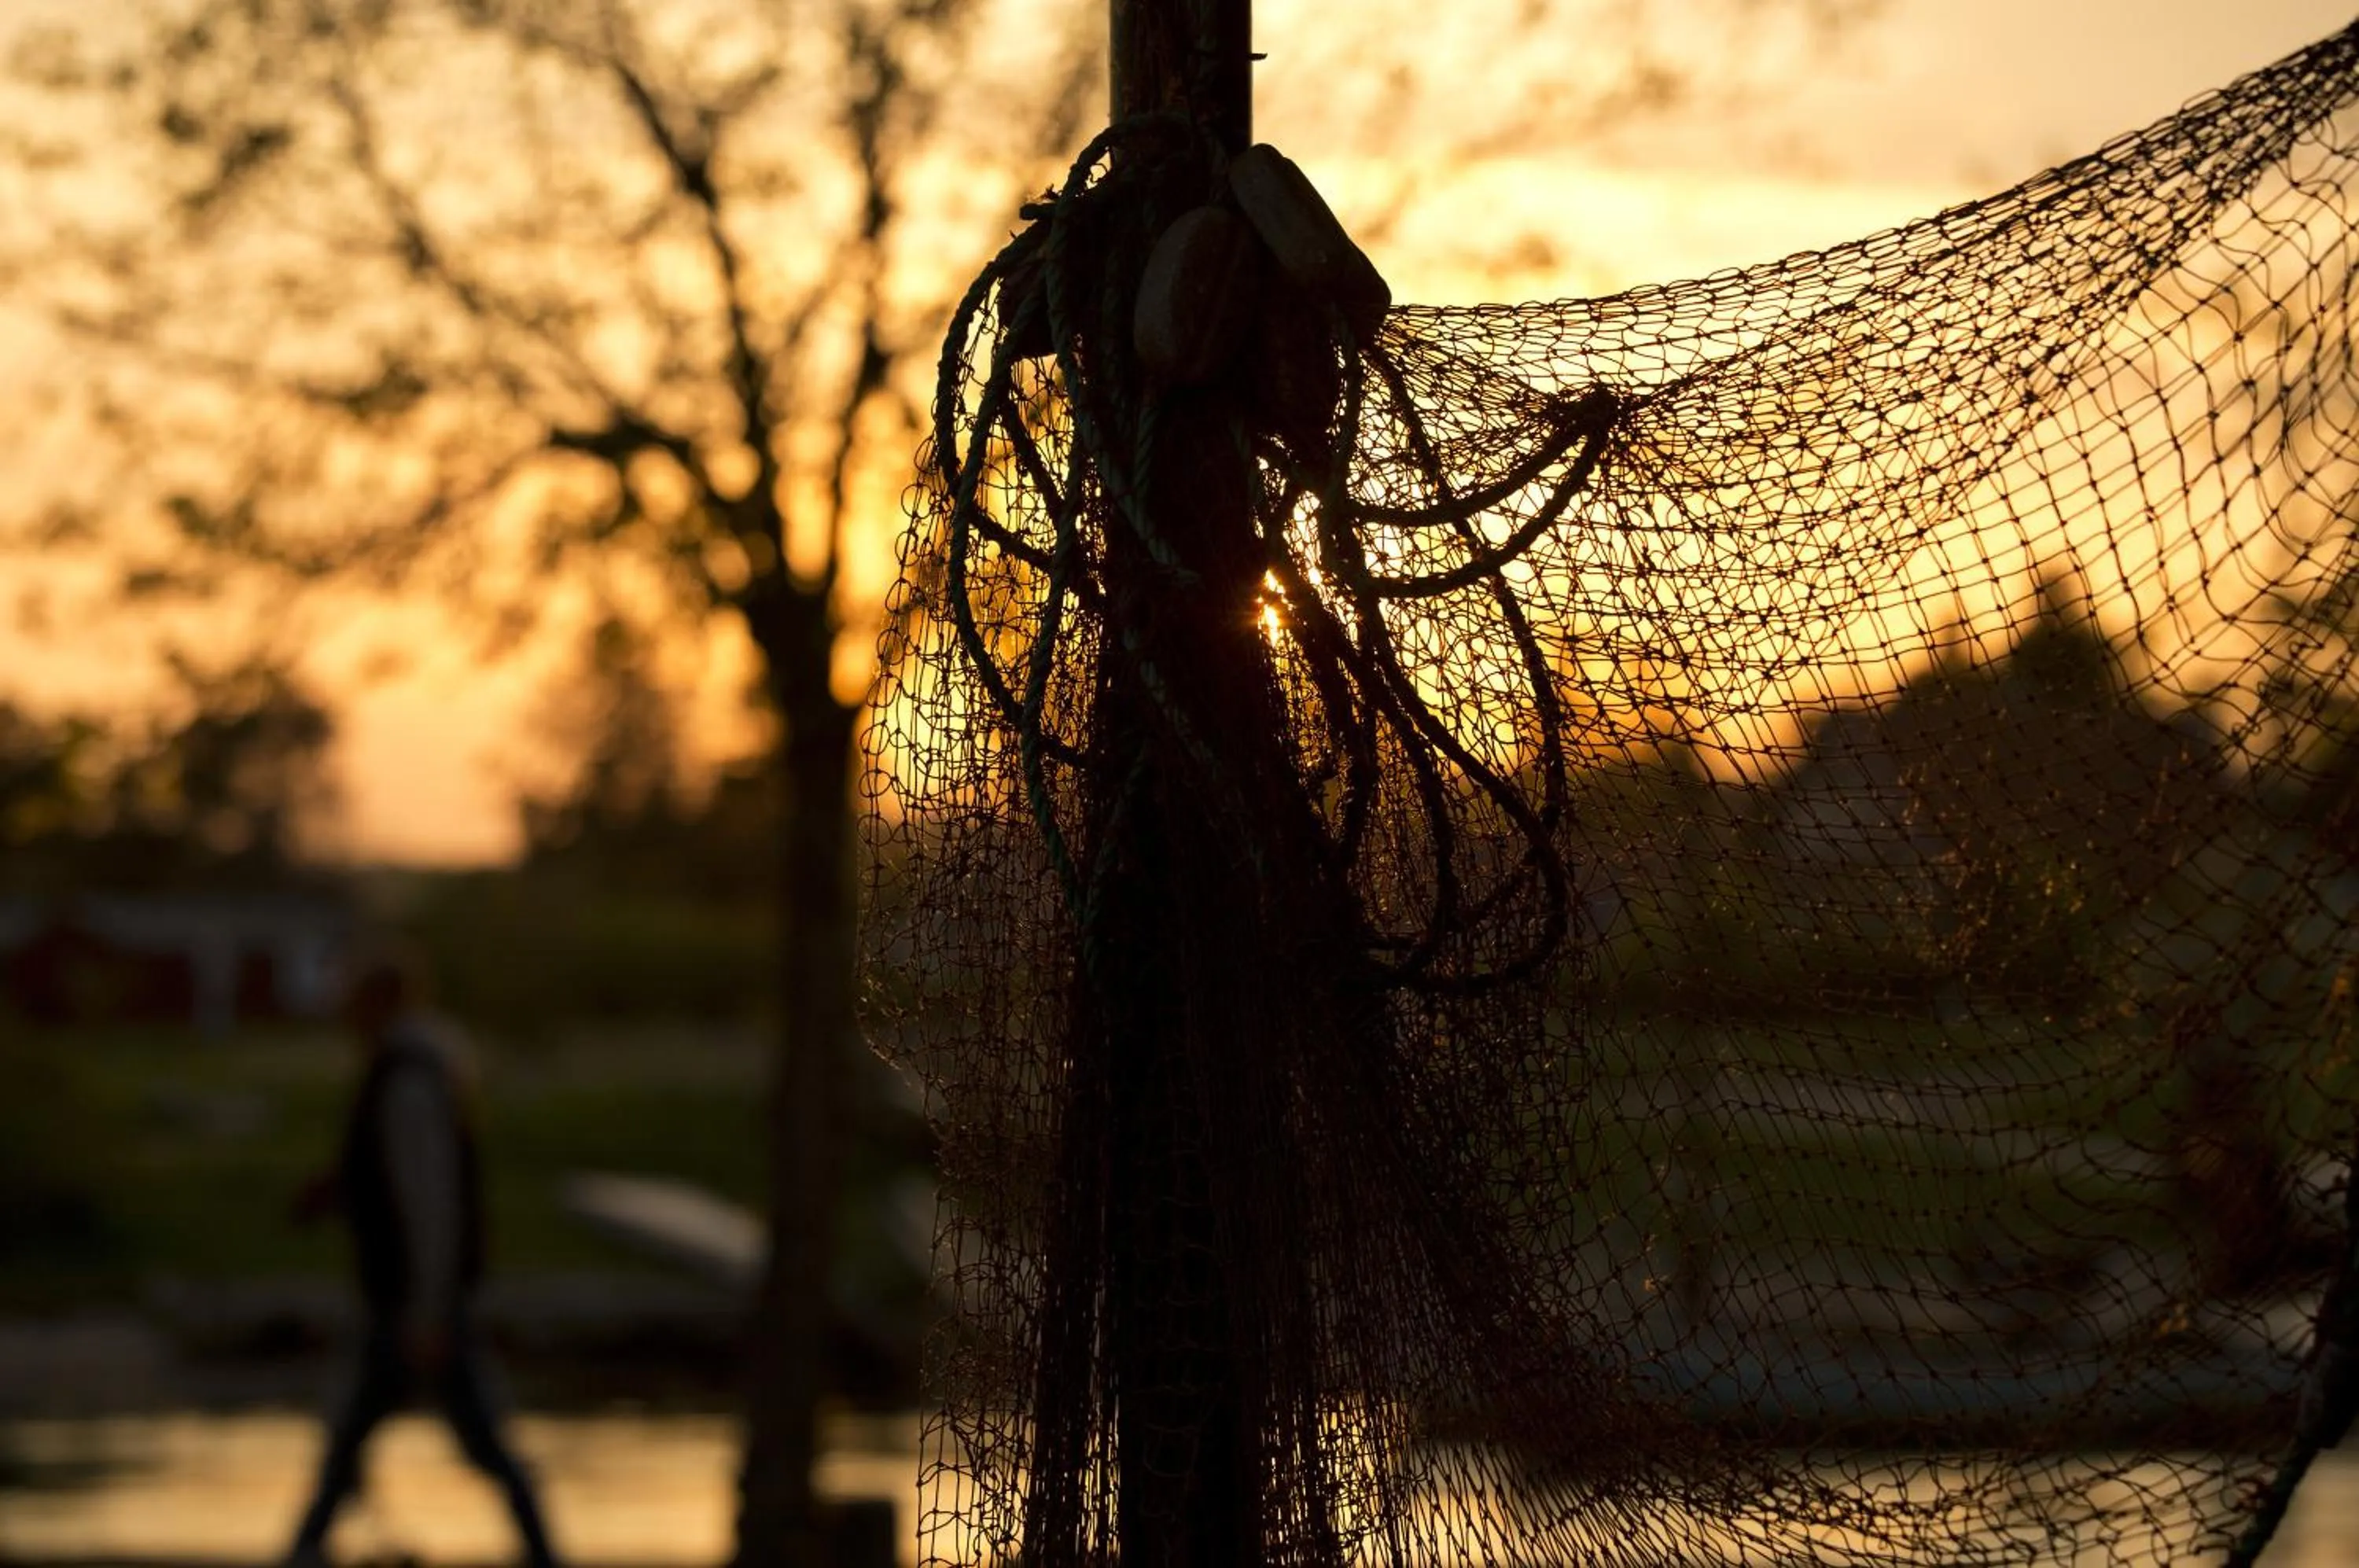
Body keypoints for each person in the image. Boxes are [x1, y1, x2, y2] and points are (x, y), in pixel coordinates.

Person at [285, 952, 558, 1568]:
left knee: (412, 1439)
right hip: (411, 1298)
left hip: (411, 1300)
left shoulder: (408, 1078)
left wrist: (428, 1310)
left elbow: (429, 1200)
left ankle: (304, 1551)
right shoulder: (413, 1070)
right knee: (365, 1439)